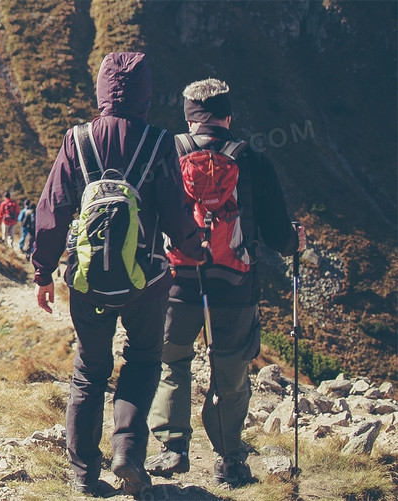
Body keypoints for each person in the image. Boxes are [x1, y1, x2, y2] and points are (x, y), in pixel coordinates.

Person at [31, 52, 207, 496]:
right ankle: (128, 451)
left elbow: (51, 210)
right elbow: (175, 209)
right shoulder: (159, 141)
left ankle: (84, 472)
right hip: (146, 283)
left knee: (90, 370)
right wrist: (193, 247)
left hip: (87, 281)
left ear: (102, 90)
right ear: (146, 94)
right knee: (144, 361)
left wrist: (43, 272)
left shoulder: (77, 140)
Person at [145, 78, 304, 487]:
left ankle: (172, 447)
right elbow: (274, 236)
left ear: (187, 116)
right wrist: (295, 239)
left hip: (176, 283)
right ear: (228, 116)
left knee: (172, 363)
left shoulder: (165, 154)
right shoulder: (253, 160)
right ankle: (230, 459)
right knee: (230, 372)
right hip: (235, 287)